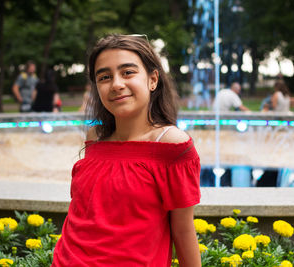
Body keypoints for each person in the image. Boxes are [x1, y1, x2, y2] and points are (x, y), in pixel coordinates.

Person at [51, 34, 201, 267]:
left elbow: (183, 232)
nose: (117, 84)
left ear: (152, 80)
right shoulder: (95, 138)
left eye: (128, 72)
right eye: (105, 77)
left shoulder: (171, 145)